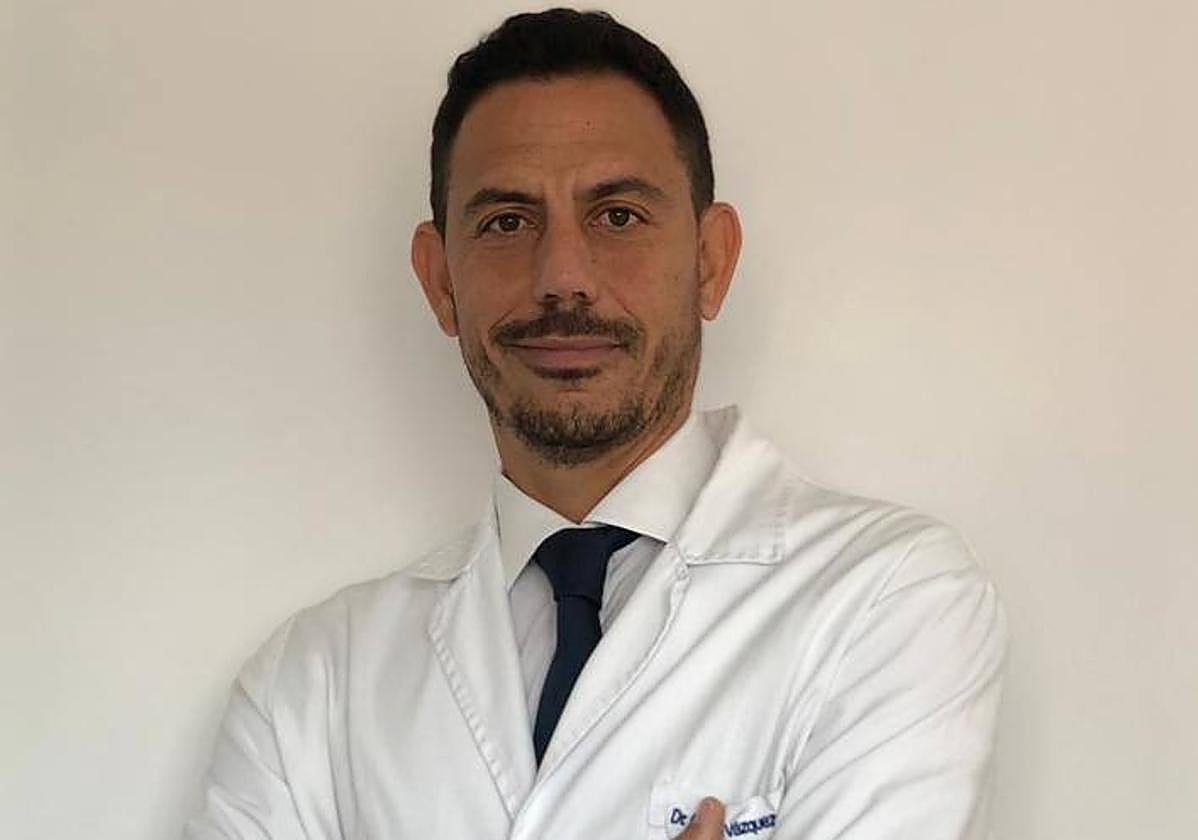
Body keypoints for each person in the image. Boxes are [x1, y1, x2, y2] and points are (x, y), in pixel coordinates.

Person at [185, 9, 1006, 840]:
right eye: (507, 222)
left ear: (710, 262)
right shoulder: (311, 685)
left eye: (618, 216)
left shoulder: (887, 599)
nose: (562, 276)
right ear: (440, 281)